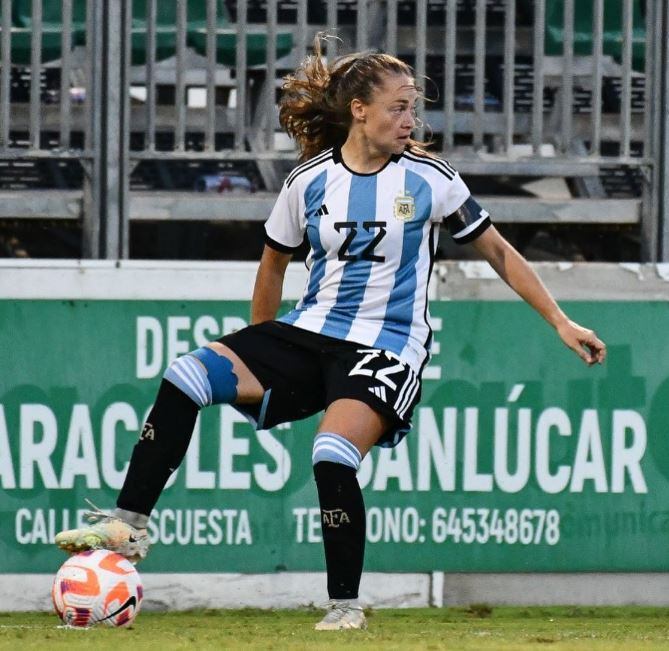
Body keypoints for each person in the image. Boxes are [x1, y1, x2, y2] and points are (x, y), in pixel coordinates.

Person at [55, 37, 607, 630]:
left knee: (331, 454)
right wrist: (263, 350)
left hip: (387, 346)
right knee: (186, 374)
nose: (410, 119)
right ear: (359, 110)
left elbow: (498, 251)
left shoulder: (430, 178)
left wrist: (561, 320)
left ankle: (345, 606)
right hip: (307, 333)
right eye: (398, 106)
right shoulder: (308, 181)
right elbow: (273, 264)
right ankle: (128, 523)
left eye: (412, 106)